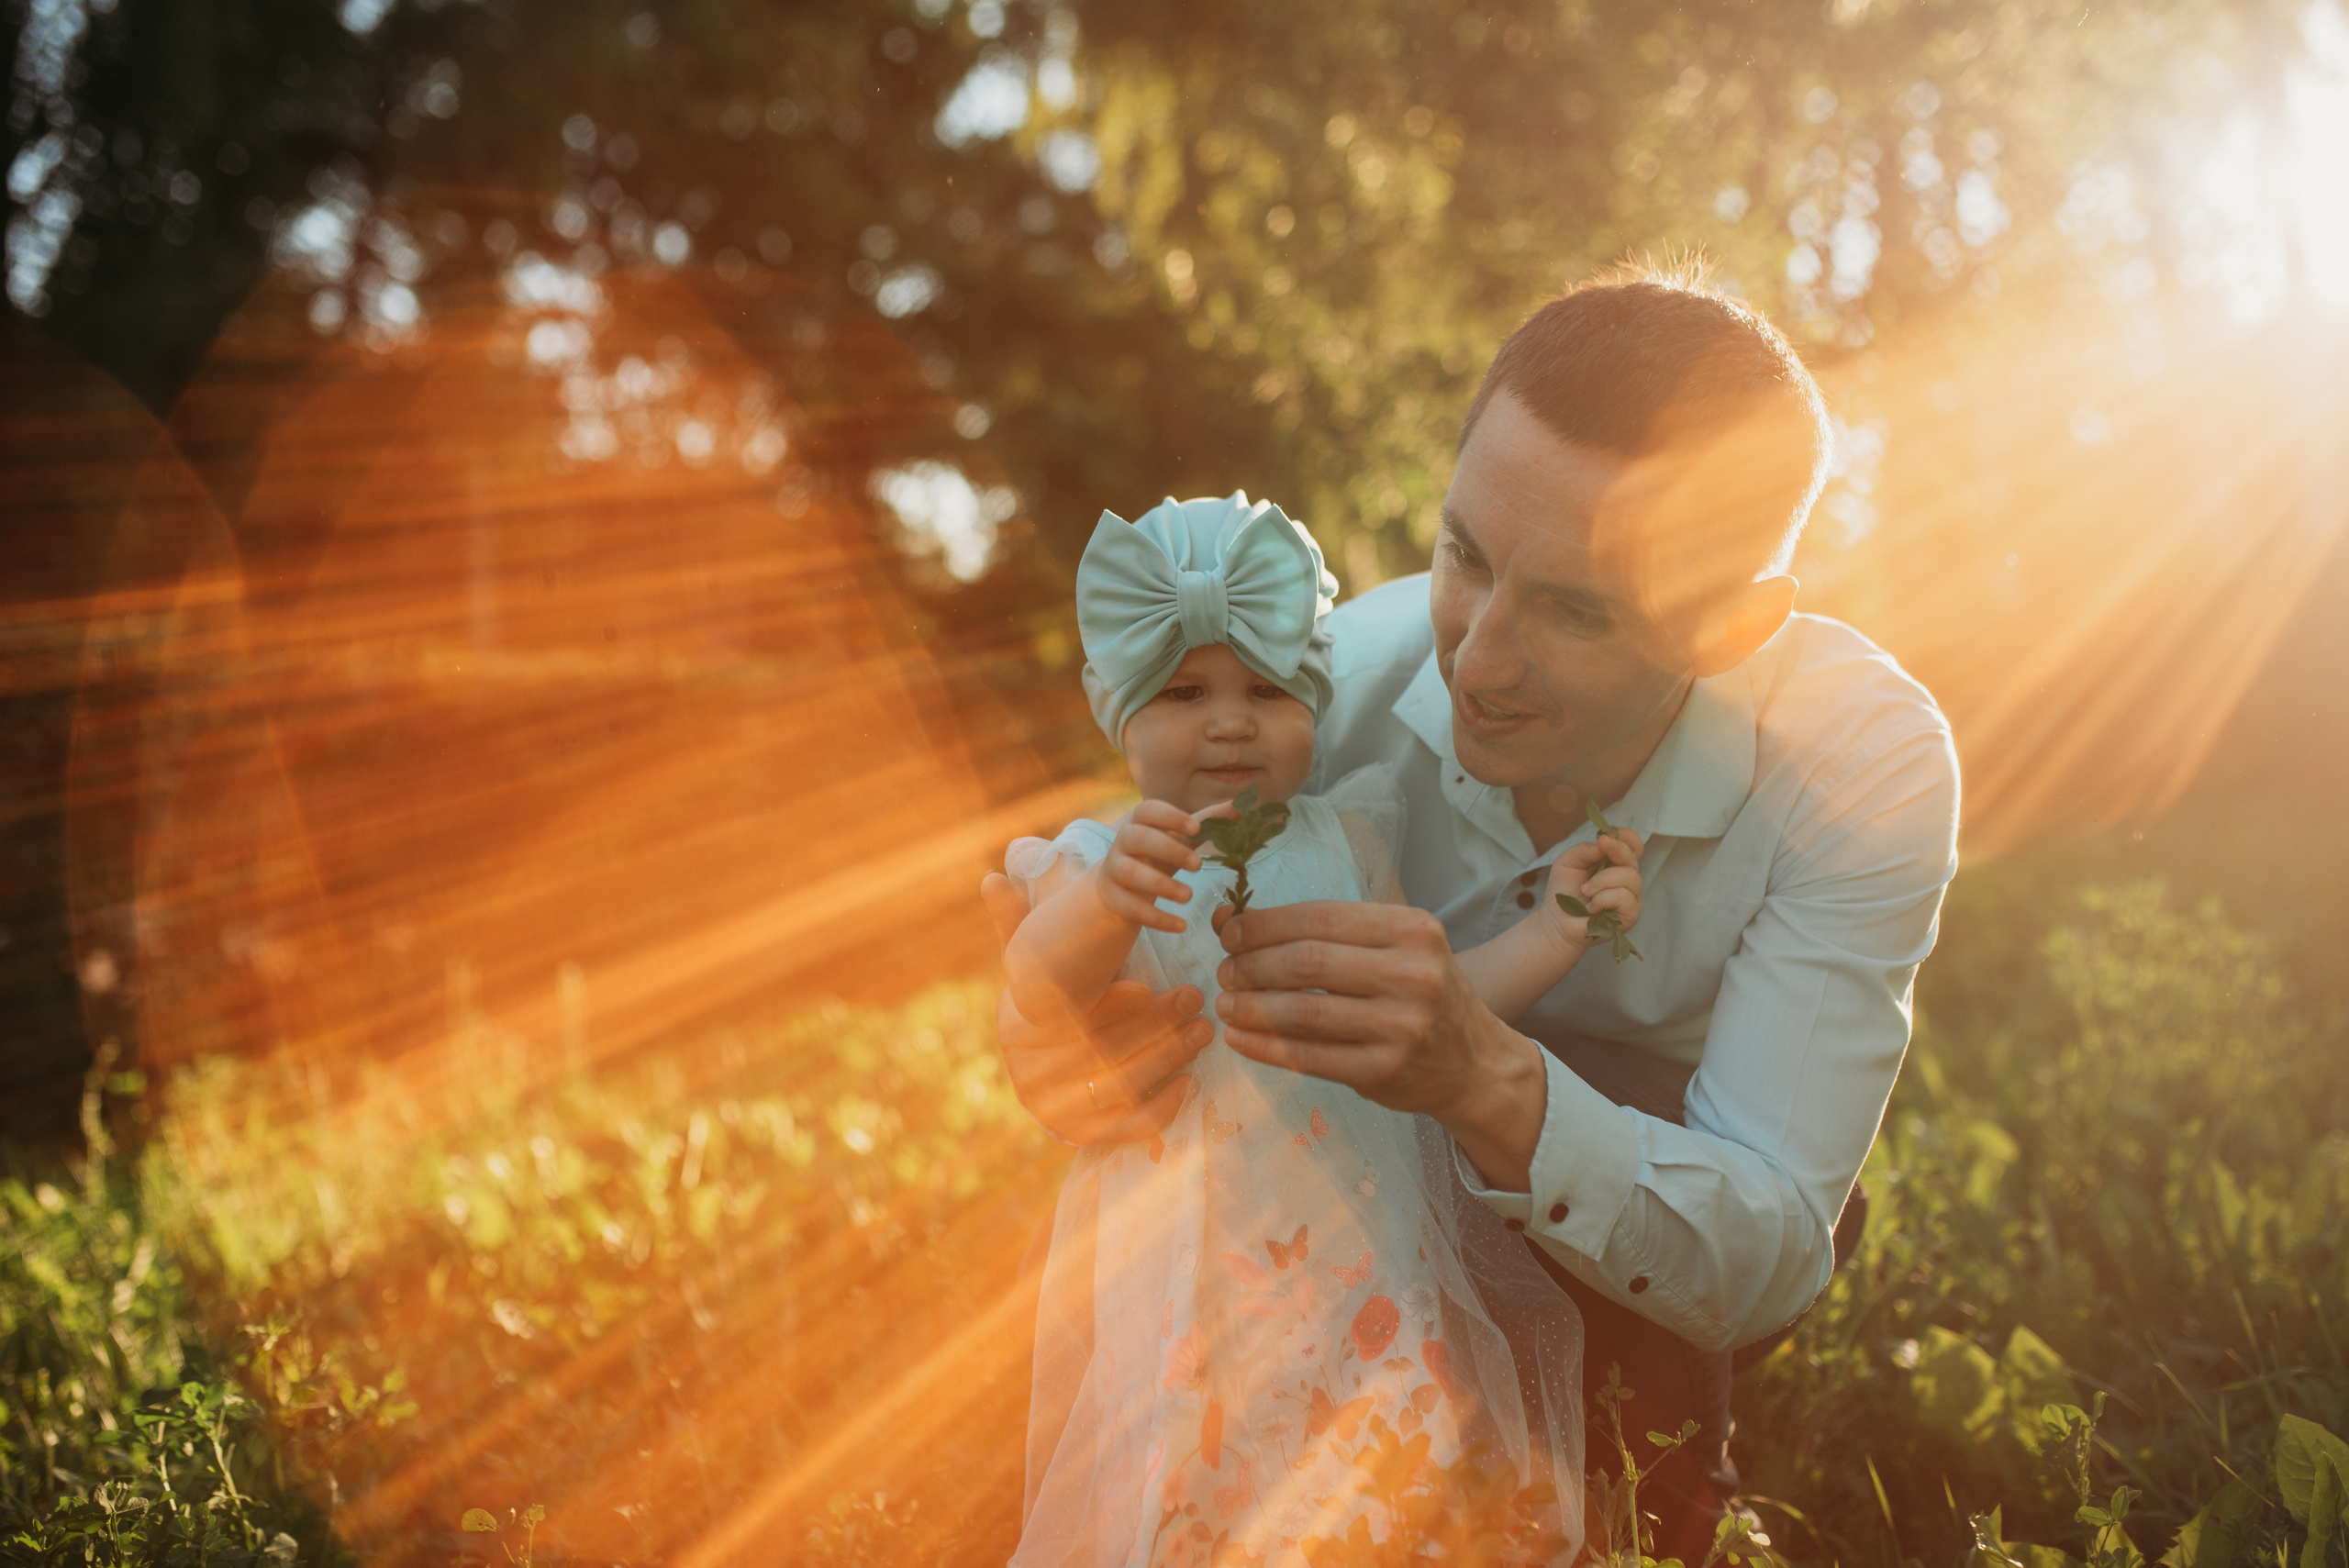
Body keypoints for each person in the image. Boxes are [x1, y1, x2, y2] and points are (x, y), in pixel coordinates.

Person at [984, 273, 1963, 1558]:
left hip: (1651, 1161)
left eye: (1576, 608)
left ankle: (1644, 1466)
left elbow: (1775, 1243)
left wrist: (1481, 1074)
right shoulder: (1316, 700)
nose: (1480, 662)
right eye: (1467, 557)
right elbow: (1112, 926)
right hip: (1326, 1191)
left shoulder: (1860, 766)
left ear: (1728, 626)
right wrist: (1058, 1039)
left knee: (1614, 1447)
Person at [1005, 492, 1649, 1565]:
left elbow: (1437, 1000)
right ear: (1115, 708)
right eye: (1184, 692)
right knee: (1201, 1466)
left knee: (1389, 1466)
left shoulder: (1348, 834)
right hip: (1193, 1253)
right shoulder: (1094, 860)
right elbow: (1034, 986)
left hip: (1364, 1249)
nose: (1229, 721)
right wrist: (1108, 903)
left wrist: (1553, 929)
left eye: (1265, 688)